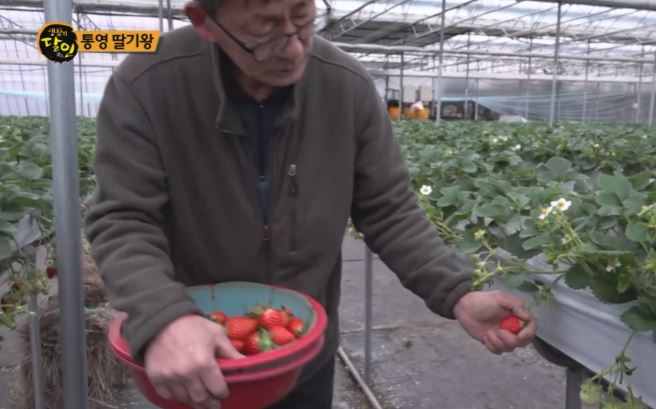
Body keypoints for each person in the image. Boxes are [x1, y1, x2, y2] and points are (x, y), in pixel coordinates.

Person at [84, 1, 537, 408]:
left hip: (301, 353)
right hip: (198, 350)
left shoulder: (346, 86)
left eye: (303, 16)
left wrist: (457, 293)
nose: (294, 47)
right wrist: (164, 316)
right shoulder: (148, 82)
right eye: (264, 27)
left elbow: (389, 209)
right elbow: (124, 217)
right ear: (205, 22)